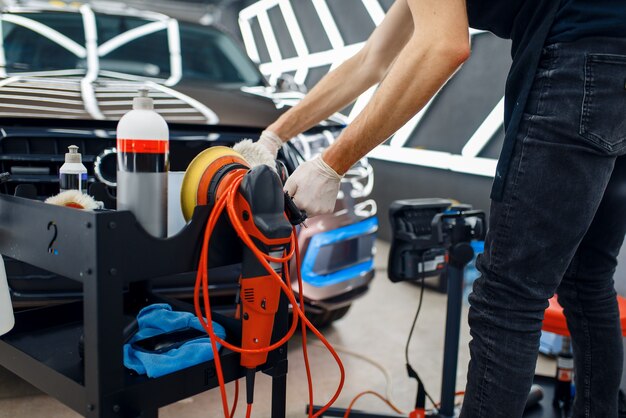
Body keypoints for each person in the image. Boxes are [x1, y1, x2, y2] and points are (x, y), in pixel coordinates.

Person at [244, 0, 626, 416]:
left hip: (579, 62)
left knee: (509, 298)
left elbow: (443, 46)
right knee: (587, 280)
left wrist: (330, 164)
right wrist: (272, 137)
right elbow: (373, 60)